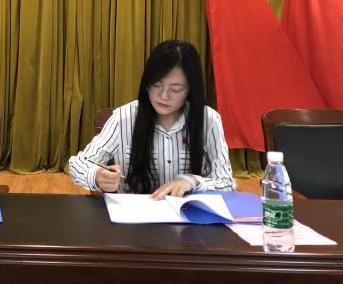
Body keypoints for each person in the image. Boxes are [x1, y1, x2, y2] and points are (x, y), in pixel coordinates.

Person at [69, 40, 235, 198]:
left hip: (189, 215)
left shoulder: (208, 120)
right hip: (134, 215)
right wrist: (97, 175)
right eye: (156, 85)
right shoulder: (124, 118)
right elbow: (78, 164)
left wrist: (192, 181)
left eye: (176, 89)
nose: (163, 96)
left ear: (191, 90)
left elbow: (226, 183)